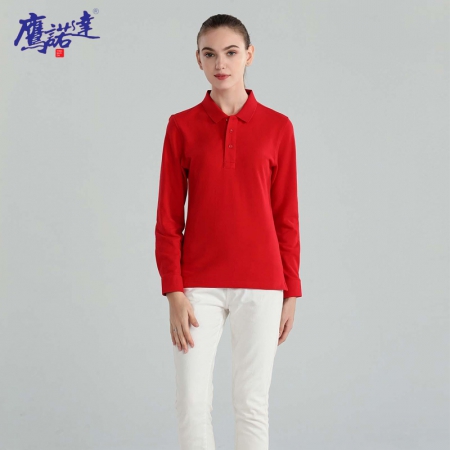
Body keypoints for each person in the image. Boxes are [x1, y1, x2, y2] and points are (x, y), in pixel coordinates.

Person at [155, 13, 302, 450]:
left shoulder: (278, 127)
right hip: (197, 286)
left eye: (231, 52)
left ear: (249, 56)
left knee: (252, 403)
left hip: (262, 285)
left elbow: (286, 216)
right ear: (198, 60)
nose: (221, 63)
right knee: (191, 402)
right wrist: (173, 290)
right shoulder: (181, 126)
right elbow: (168, 219)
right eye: (210, 54)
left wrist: (292, 290)